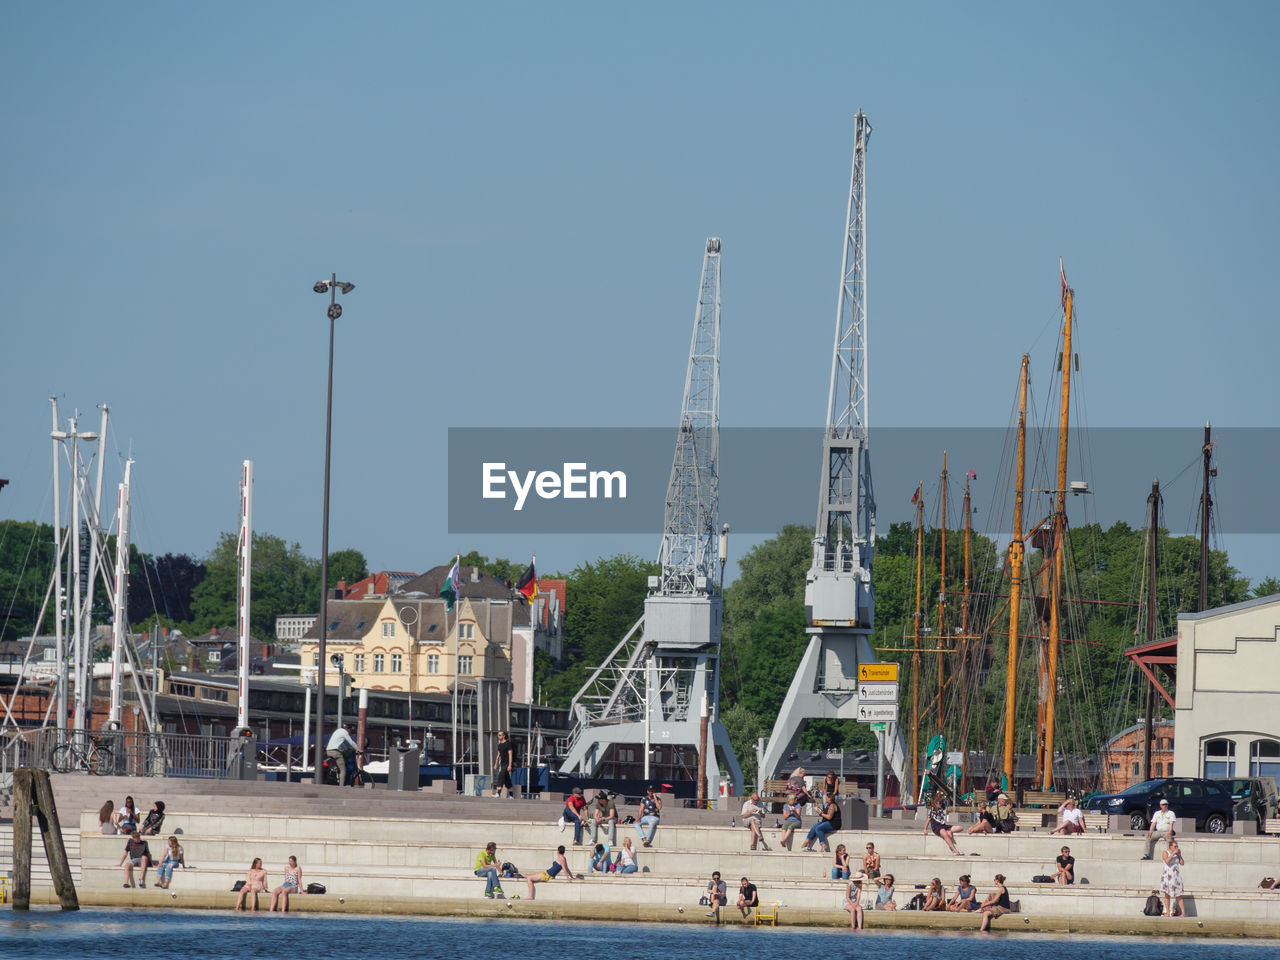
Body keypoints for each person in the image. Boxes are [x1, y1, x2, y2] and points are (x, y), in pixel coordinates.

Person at [1160, 838, 1185, 918]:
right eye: (1174, 846)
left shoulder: (1177, 854)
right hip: (1167, 876)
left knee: (1179, 895)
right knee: (1167, 894)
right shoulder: (1165, 852)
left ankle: (1183, 912)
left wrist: (1179, 855)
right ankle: (1167, 912)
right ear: (1170, 847)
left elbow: (1182, 863)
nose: (1176, 848)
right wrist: (1173, 853)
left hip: (1176, 876)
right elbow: (1167, 861)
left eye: (1176, 846)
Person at [492, 730, 515, 798]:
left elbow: (510, 754)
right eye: (498, 735)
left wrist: (510, 765)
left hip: (507, 763)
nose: (498, 736)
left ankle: (498, 793)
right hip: (502, 763)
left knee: (501, 775)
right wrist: (496, 763)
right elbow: (498, 755)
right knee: (507, 779)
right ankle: (511, 795)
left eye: (500, 735)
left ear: (504, 736)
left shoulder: (508, 744)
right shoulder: (500, 745)